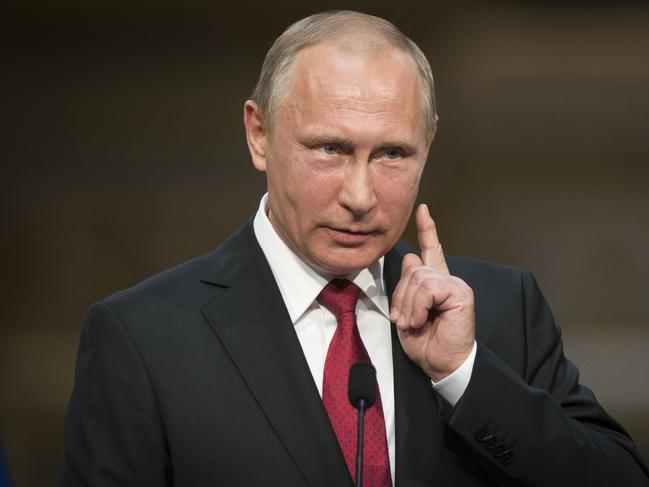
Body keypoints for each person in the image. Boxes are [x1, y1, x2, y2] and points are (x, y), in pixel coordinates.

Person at [59, 10, 649, 487]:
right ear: (258, 134)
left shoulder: (500, 309)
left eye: (392, 154)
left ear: (430, 142)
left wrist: (464, 376)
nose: (361, 196)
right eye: (329, 150)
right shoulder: (142, 337)